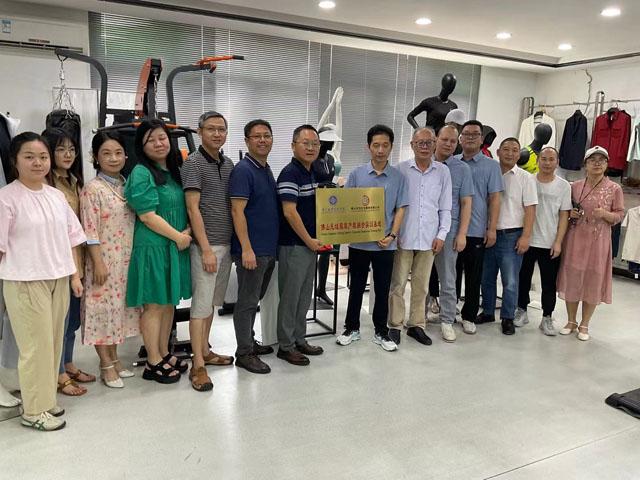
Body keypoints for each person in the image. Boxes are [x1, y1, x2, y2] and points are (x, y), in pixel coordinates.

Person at [0, 132, 86, 431]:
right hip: (25, 280)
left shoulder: (55, 196)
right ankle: (33, 410)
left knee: (52, 343)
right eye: (29, 157)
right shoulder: (6, 198)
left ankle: (47, 400)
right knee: (34, 347)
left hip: (58, 277)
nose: (38, 163)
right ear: (15, 161)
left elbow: (71, 237)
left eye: (43, 157)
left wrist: (75, 275)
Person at [125, 119, 192, 384]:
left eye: (162, 137)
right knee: (154, 305)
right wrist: (179, 236)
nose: (158, 143)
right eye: (150, 140)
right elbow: (147, 215)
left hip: (173, 244)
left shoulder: (174, 170)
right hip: (154, 246)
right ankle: (152, 361)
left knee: (168, 303)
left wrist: (186, 230)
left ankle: (163, 353)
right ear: (141, 146)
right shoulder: (142, 172)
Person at [336, 125, 408, 352]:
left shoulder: (398, 177)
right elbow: (346, 206)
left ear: (391, 147)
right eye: (376, 145)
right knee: (356, 287)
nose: (380, 150)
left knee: (383, 289)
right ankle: (351, 328)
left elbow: (401, 208)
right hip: (359, 243)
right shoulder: (357, 174)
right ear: (369, 147)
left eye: (385, 145)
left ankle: (381, 331)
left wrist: (392, 235)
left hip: (385, 244)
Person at [80, 131, 140, 388]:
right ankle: (105, 365)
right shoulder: (92, 189)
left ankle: (115, 359)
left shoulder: (128, 185)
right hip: (103, 261)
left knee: (118, 312)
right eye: (106, 153)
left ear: (125, 155)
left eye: (118, 153)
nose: (113, 158)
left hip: (125, 261)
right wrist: (98, 263)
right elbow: (89, 230)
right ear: (95, 157)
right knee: (101, 312)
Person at [181, 111, 235, 392]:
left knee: (212, 303)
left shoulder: (228, 163)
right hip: (207, 246)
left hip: (226, 243)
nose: (217, 134)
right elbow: (193, 208)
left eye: (221, 129)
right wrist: (205, 249)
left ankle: (205, 349)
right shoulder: (193, 163)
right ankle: (198, 365)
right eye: (211, 129)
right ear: (200, 131)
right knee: (200, 306)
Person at [42, 128, 94, 396]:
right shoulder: (47, 186)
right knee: (60, 321)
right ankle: (58, 372)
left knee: (73, 319)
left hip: (79, 260)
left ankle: (69, 363)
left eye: (72, 149)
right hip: (58, 262)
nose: (68, 154)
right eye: (61, 149)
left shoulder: (75, 181)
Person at [387, 127, 451, 346]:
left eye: (428, 142)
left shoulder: (442, 172)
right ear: (412, 145)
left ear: (435, 144)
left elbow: (445, 207)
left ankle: (416, 325)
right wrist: (393, 232)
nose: (424, 146)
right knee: (397, 284)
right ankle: (395, 325)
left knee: (421, 285)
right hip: (403, 237)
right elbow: (393, 205)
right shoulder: (400, 170)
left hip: (429, 237)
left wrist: (442, 234)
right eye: (420, 143)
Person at [556, 146, 624, 341]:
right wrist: (571, 214)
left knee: (593, 279)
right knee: (573, 276)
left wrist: (606, 215)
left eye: (601, 160)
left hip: (599, 241)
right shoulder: (575, 186)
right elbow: (564, 211)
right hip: (576, 238)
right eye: (592, 160)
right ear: (585, 164)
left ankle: (585, 323)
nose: (597, 163)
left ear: (607, 164)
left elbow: (620, 214)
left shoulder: (615, 189)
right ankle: (571, 320)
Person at [229, 119, 279, 374]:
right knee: (247, 302)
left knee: (254, 298)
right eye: (257, 136)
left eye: (266, 136)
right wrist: (246, 249)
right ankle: (244, 353)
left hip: (267, 249)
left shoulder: (265, 169)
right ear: (247, 141)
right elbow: (237, 212)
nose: (262, 140)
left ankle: (249, 341)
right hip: (252, 251)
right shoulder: (243, 170)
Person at [276, 125, 325, 366]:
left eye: (315, 144)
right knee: (290, 297)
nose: (311, 148)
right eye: (305, 143)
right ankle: (285, 346)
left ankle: (299, 338)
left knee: (304, 296)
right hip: (294, 245)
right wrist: (309, 241)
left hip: (309, 245)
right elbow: (289, 212)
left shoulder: (312, 171)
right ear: (293, 145)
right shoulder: (290, 173)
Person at [478, 137, 537, 335]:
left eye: (514, 150)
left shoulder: (526, 178)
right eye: (506, 149)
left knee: (510, 281)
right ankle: (488, 311)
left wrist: (526, 236)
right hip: (487, 233)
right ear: (498, 152)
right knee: (486, 277)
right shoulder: (490, 172)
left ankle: (508, 317)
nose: (510, 153)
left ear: (519, 154)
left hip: (512, 235)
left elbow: (530, 210)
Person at [516, 147, 571, 336]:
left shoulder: (564, 186)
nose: (547, 163)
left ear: (557, 162)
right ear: (538, 161)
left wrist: (558, 242)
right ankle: (521, 310)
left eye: (551, 159)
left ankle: (547, 316)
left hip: (549, 242)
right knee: (523, 278)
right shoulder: (528, 181)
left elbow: (564, 216)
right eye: (544, 159)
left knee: (549, 283)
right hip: (527, 240)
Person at [455, 120, 504, 329]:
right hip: (453, 229)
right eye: (466, 134)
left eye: (475, 134)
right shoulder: (451, 162)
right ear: (460, 138)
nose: (470, 138)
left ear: (482, 139)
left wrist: (491, 228)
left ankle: (469, 316)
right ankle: (449, 310)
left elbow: (495, 199)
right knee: (451, 274)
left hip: (476, 230)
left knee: (473, 276)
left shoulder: (491, 166)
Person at [430, 124, 474, 341]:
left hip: (449, 230)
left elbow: (466, 203)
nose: (448, 144)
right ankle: (418, 316)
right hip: (423, 229)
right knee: (419, 276)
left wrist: (462, 233)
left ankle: (447, 319)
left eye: (453, 141)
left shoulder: (462, 169)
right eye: (444, 139)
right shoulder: (423, 162)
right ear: (436, 139)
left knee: (448, 277)